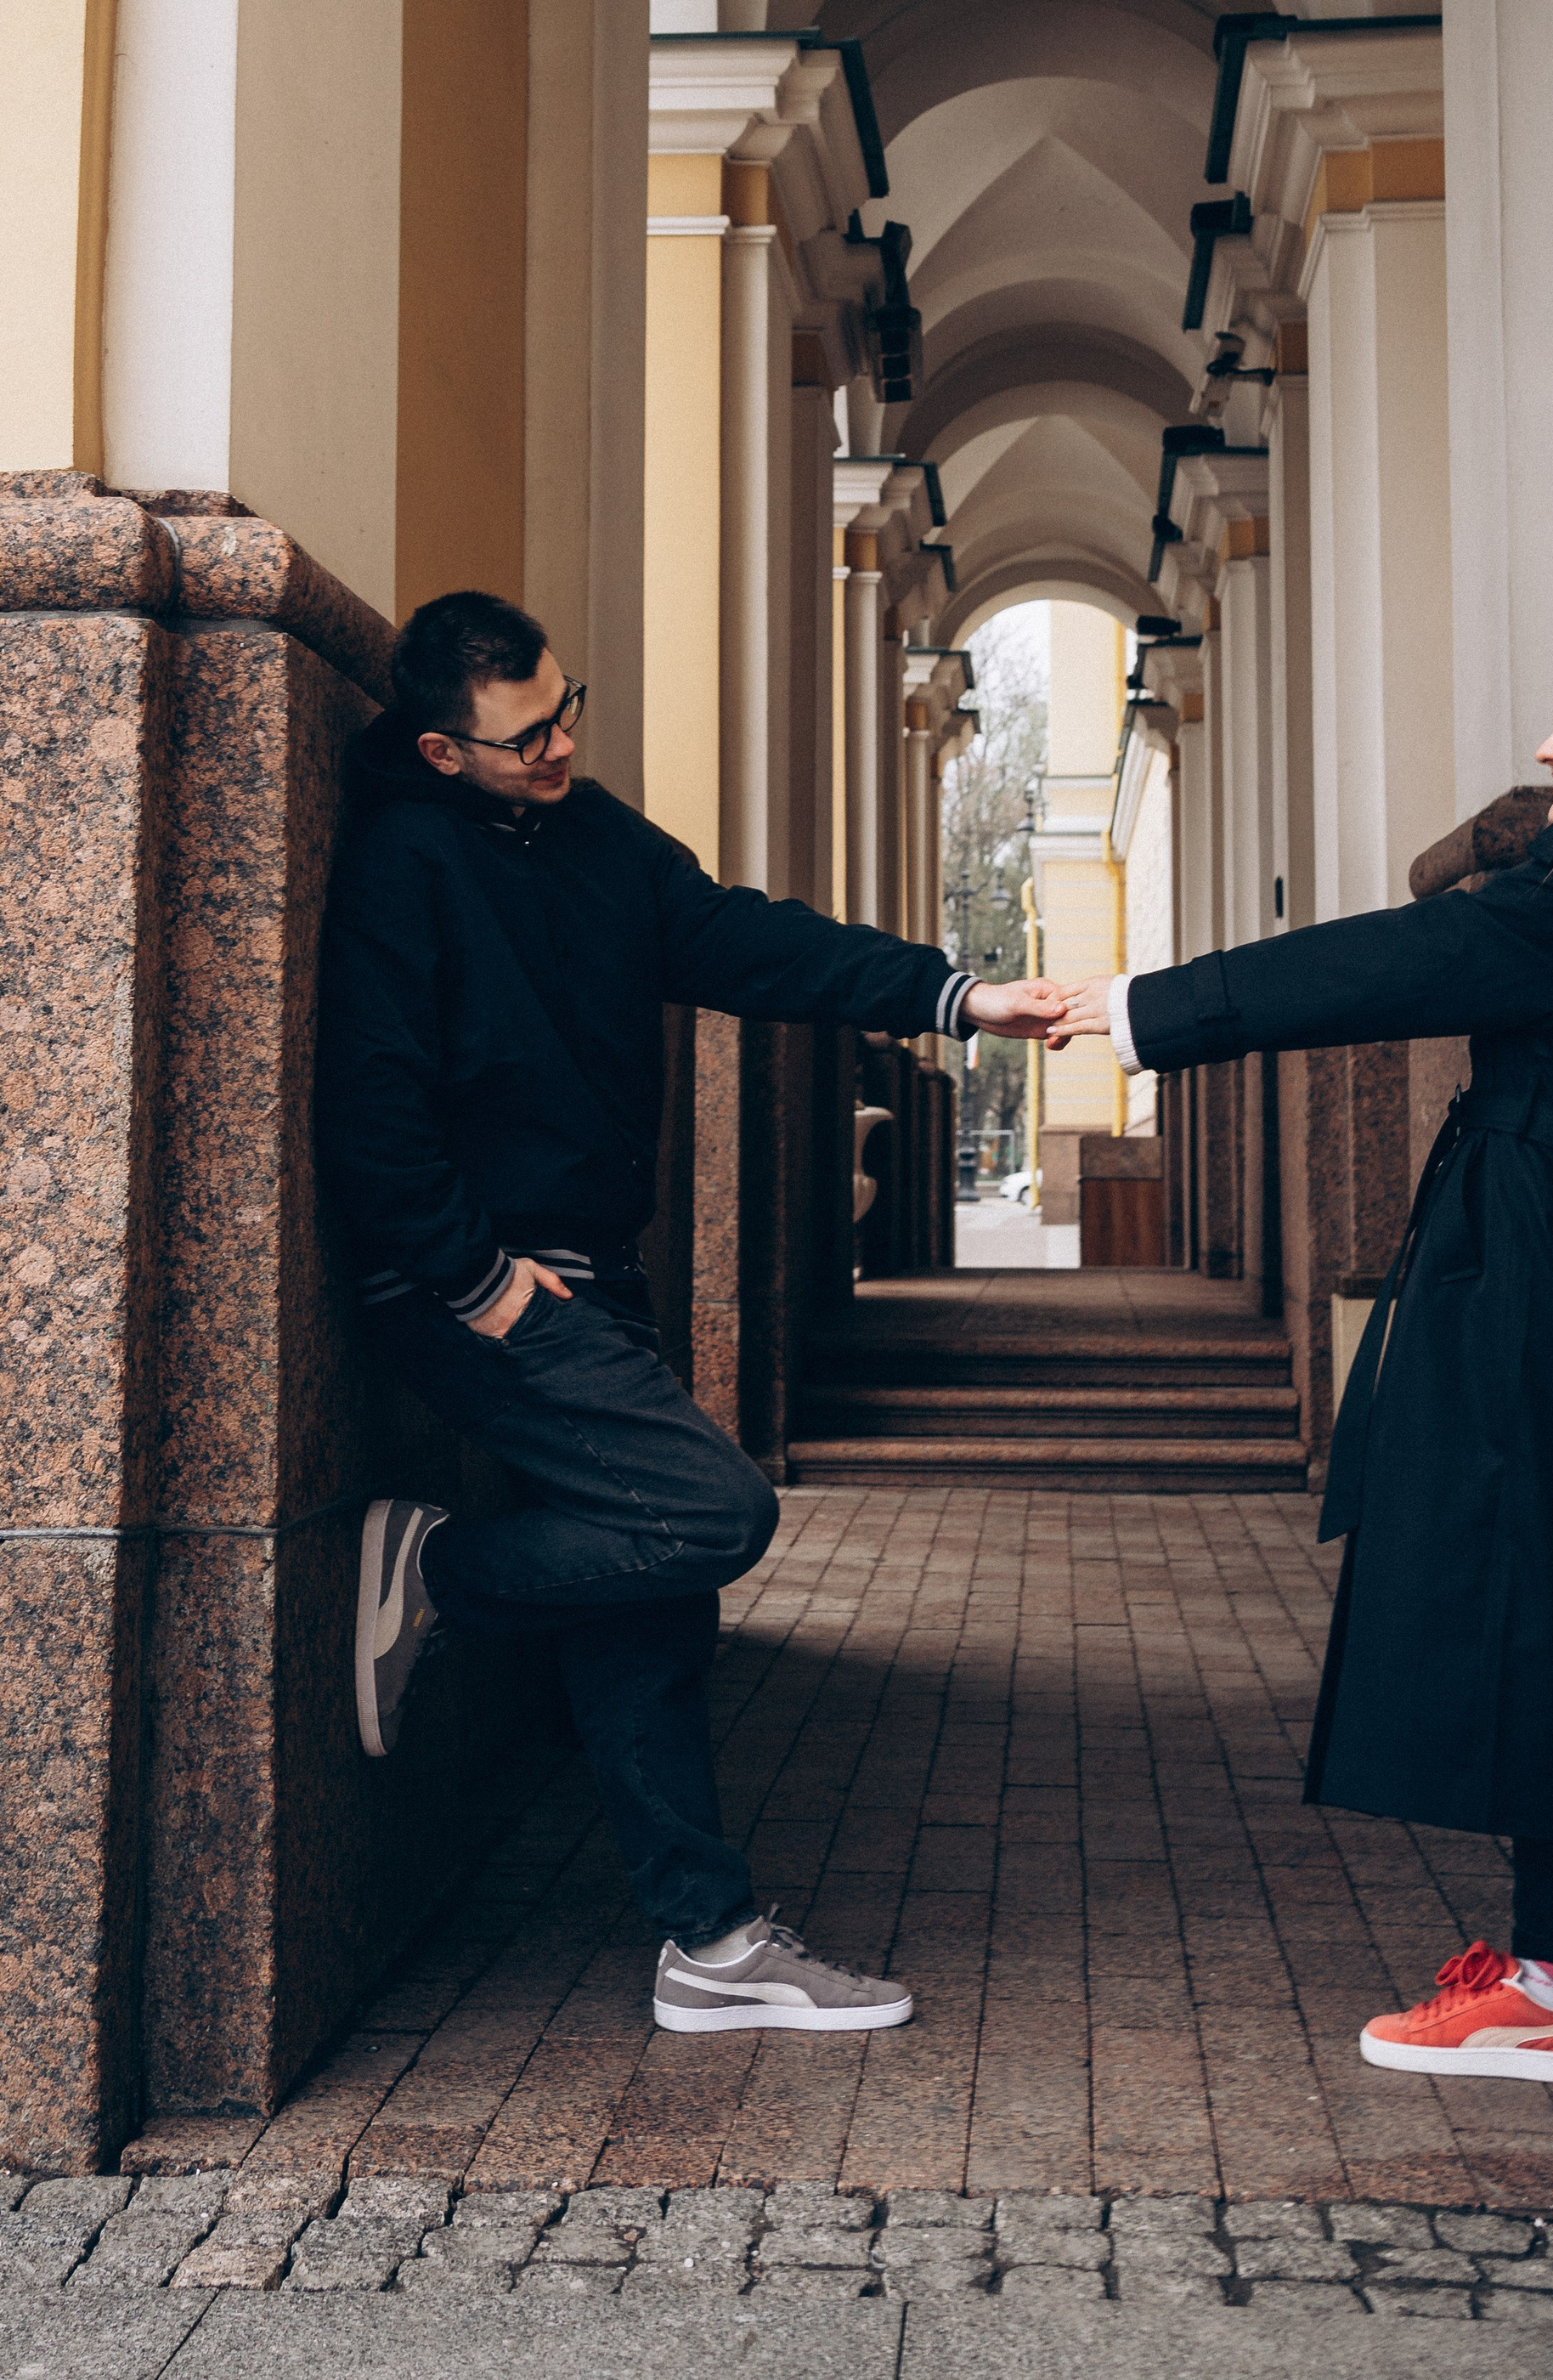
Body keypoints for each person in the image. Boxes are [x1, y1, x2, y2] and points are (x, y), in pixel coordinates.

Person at [315, 589, 1064, 2038]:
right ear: (440, 748)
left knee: (654, 1608)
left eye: (566, 705)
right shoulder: (402, 862)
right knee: (715, 1511)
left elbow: (750, 942)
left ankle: (710, 1944)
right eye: (526, 733)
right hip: (479, 1284)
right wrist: (469, 1278)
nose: (561, 743)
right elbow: (369, 1095)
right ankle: (443, 1573)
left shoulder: (600, 844)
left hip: (596, 1264)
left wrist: (957, 997)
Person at [1052, 617, 1553, 2096]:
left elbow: (1396, 961)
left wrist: (1146, 1009)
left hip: (1527, 1256)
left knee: (1532, 1576)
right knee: (1537, 1568)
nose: (1545, 747)